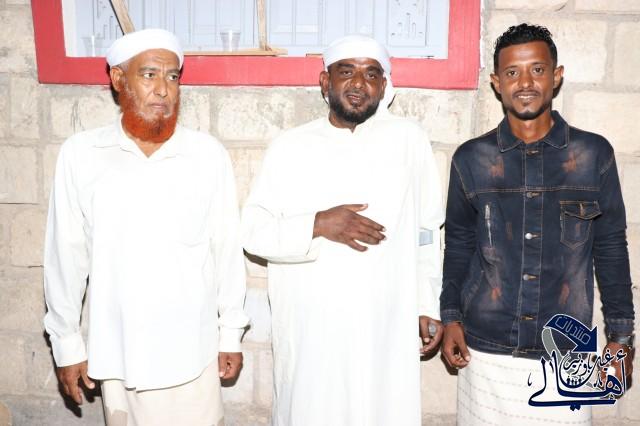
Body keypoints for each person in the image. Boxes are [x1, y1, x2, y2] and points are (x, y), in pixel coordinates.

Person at [43, 28, 248, 426]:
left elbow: (226, 251)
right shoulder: (82, 155)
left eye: (172, 77)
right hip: (121, 353)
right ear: (118, 79)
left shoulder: (206, 155)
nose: (163, 89)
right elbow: (65, 256)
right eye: (149, 74)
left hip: (193, 353)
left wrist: (230, 333)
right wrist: (66, 344)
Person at [241, 35, 444, 426]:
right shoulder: (290, 147)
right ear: (325, 81)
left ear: (383, 86)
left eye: (371, 73)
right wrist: (318, 224)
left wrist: (426, 305)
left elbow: (426, 232)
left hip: (384, 327)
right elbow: (253, 232)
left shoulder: (409, 141)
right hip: (312, 332)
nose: (359, 83)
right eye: (346, 71)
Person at [440, 23, 634, 425]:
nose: (525, 83)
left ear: (556, 76)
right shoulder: (471, 159)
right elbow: (458, 244)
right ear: (497, 83)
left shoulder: (593, 154)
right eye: (512, 72)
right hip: (485, 348)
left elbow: (611, 248)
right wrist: (450, 317)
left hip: (567, 351)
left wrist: (621, 337)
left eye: (537, 70)